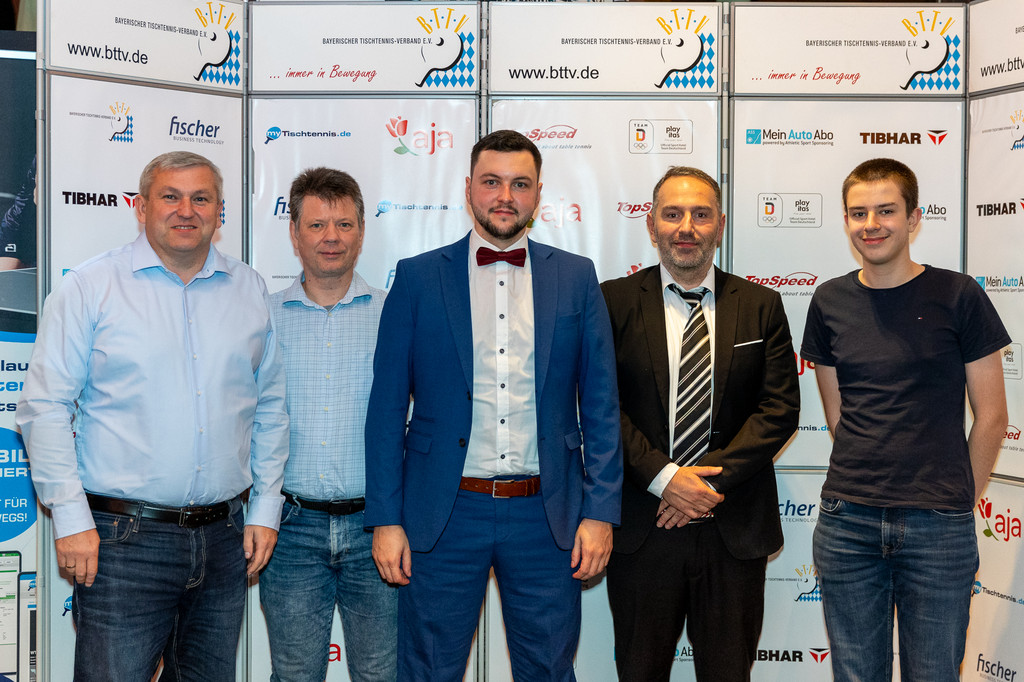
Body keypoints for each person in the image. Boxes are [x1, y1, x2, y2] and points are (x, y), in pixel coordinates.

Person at [17, 151, 289, 682]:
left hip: (225, 539)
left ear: (219, 210)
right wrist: (70, 517)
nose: (186, 210)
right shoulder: (91, 286)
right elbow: (45, 407)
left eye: (201, 198)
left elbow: (270, 406)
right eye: (170, 196)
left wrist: (265, 508)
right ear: (141, 207)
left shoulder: (249, 288)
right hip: (122, 543)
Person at [364, 129, 622, 681]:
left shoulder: (576, 277)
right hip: (443, 513)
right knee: (428, 671)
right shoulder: (417, 277)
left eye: (520, 184)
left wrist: (600, 512)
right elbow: (385, 409)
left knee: (548, 670)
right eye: (491, 182)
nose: (505, 196)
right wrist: (385, 520)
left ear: (538, 194)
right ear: (468, 189)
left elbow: (602, 406)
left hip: (547, 515)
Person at [802, 158, 1010, 681]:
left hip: (938, 528)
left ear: (914, 218)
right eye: (858, 213)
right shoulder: (828, 301)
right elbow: (838, 416)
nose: (871, 224)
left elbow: (992, 417)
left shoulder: (959, 295)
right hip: (847, 523)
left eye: (886, 210)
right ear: (846, 221)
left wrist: (958, 498)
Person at [600, 166, 799, 682]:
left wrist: (700, 484)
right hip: (645, 526)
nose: (686, 227)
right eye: (672, 214)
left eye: (701, 214)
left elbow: (779, 409)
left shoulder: (761, 305)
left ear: (721, 225)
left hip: (732, 528)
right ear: (651, 225)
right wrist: (666, 478)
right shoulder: (612, 302)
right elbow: (600, 406)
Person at [259, 167, 396, 682]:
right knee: (294, 674)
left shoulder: (394, 315)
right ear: (294, 233)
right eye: (316, 225)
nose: (330, 237)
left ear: (361, 231)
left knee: (383, 674)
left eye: (343, 224)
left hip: (377, 527)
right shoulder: (262, 318)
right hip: (289, 530)